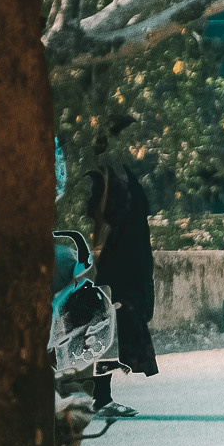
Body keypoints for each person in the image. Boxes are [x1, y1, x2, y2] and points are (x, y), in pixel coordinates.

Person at [77, 112, 158, 415]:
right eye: (128, 137)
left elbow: (137, 221)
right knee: (106, 327)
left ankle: (100, 395)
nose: (135, 144)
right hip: (114, 266)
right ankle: (101, 396)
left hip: (134, 263)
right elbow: (98, 223)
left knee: (123, 327)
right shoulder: (102, 177)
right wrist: (94, 262)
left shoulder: (125, 174)